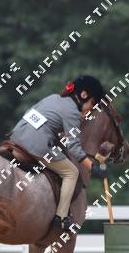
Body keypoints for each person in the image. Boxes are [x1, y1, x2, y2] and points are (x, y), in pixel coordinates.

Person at [9, 75, 105, 231]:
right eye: (92, 104)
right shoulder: (73, 112)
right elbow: (74, 147)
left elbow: (30, 113)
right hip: (36, 144)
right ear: (84, 95)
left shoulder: (52, 98)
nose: (90, 109)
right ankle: (61, 217)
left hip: (16, 135)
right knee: (72, 172)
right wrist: (92, 167)